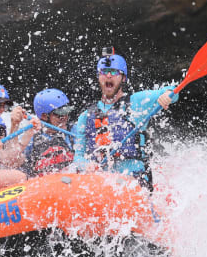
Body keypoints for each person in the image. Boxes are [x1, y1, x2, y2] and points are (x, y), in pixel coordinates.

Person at [71, 48, 178, 191]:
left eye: (114, 72)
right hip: (102, 185)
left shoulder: (137, 102)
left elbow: (174, 92)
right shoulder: (85, 116)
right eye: (104, 71)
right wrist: (86, 165)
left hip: (134, 181)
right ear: (98, 77)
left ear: (123, 78)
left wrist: (168, 94)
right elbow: (78, 157)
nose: (109, 75)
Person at [21, 88, 75, 177]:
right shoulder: (31, 136)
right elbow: (16, 161)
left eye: (66, 112)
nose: (65, 117)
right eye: (60, 114)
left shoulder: (73, 131)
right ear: (44, 116)